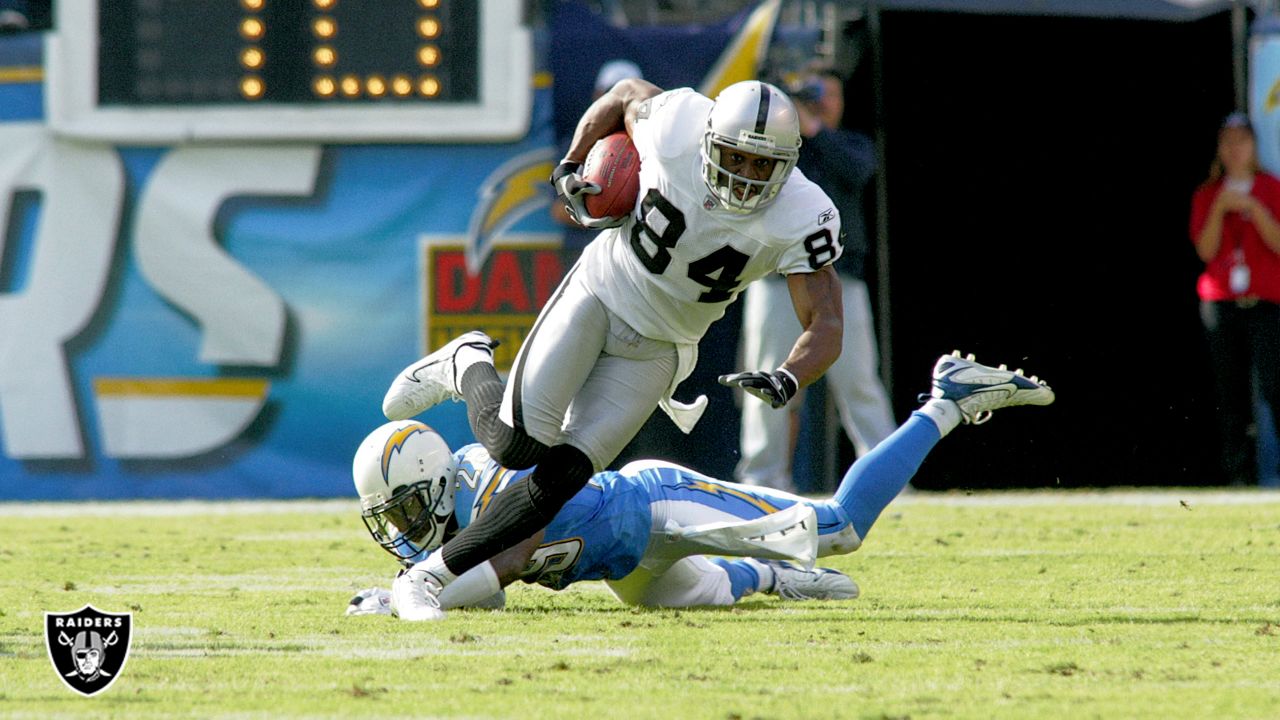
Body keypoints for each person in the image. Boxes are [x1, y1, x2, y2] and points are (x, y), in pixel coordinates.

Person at [379, 78, 849, 620]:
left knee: (563, 477)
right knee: (513, 447)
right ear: (709, 139)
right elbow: (625, 94)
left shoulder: (804, 214)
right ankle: (468, 362)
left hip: (662, 345)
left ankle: (429, 577)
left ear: (789, 164)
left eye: (761, 165)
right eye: (734, 157)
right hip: (601, 291)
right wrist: (572, 162)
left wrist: (789, 376)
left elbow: (826, 323)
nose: (743, 176)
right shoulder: (676, 125)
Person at [352, 352, 1054, 619]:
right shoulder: (452, 508)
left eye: (408, 506)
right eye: (389, 516)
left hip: (653, 506)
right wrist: (418, 581)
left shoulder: (487, 483)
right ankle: (775, 579)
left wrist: (409, 593)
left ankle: (946, 400)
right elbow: (486, 594)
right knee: (690, 597)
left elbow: (503, 565)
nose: (403, 527)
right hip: (623, 565)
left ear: (439, 480)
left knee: (839, 527)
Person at [735, 68, 895, 493]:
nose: (821, 101)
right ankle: (762, 480)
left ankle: (885, 479)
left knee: (860, 383)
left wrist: (815, 127)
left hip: (840, 281)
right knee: (767, 379)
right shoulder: (779, 146)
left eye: (828, 94)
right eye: (812, 94)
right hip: (776, 279)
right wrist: (791, 122)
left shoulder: (850, 144)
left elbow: (858, 171)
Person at [1190, 112, 1280, 485]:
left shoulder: (1271, 188)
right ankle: (1237, 475)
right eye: (1227, 142)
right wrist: (1220, 209)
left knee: (1275, 384)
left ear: (1253, 146)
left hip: (1265, 302)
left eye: (1241, 141)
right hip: (1222, 302)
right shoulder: (1208, 194)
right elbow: (1206, 250)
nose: (1234, 149)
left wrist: (1256, 212)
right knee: (1229, 390)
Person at [551, 60, 645, 264]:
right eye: (613, 95)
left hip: (632, 259)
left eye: (629, 98)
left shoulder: (652, 145)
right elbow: (559, 210)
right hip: (583, 254)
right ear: (598, 97)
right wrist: (605, 211)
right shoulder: (577, 144)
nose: (621, 104)